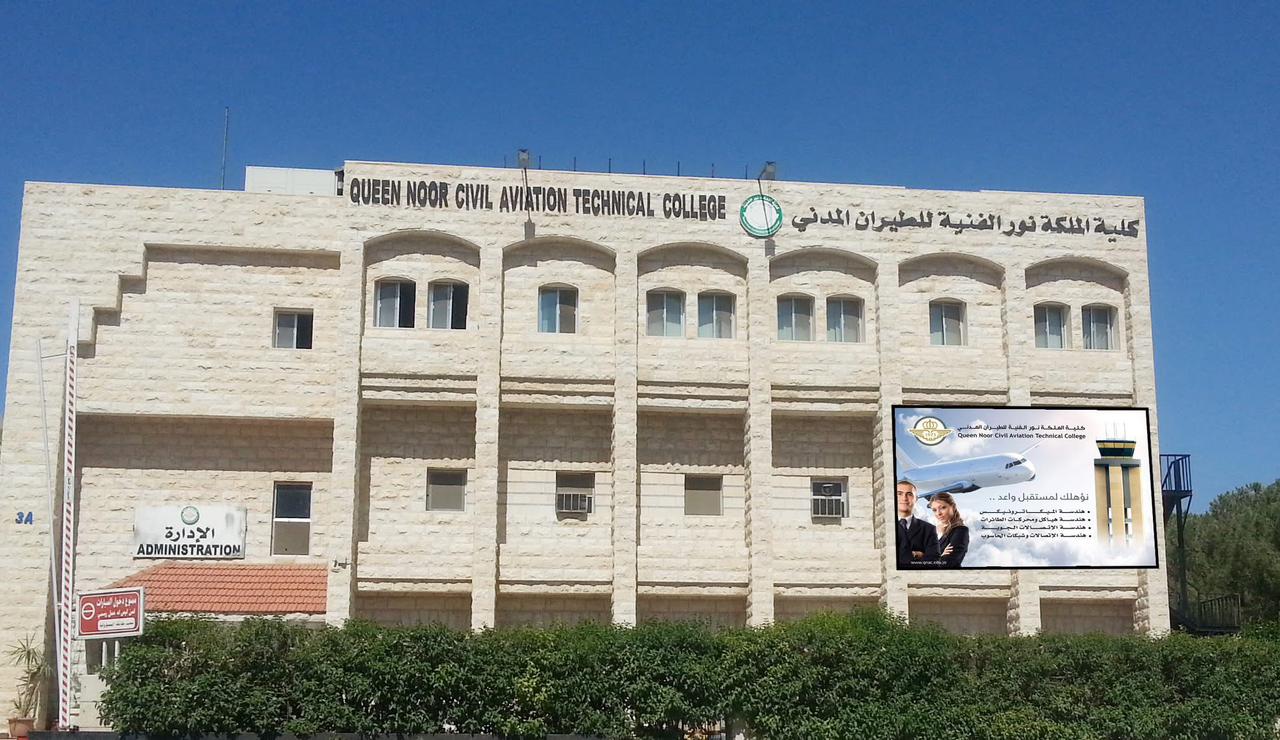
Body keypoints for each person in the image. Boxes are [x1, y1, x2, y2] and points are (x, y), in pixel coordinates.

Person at [895, 480, 939, 568]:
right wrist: (916, 555)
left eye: (909, 494)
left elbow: (934, 562)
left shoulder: (929, 529)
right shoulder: (883, 527)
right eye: (899, 493)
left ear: (916, 499)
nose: (904, 498)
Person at [927, 492, 970, 568]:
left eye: (943, 507)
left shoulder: (961, 531)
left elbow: (947, 564)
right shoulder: (938, 530)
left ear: (953, 507)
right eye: (934, 510)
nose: (938, 513)